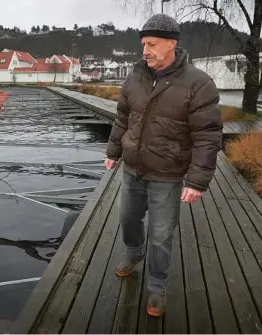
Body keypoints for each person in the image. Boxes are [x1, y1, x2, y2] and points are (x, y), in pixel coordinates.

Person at [105, 13, 223, 317]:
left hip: (167, 175)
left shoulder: (199, 84)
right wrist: (113, 150)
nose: (145, 50)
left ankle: (157, 287)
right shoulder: (135, 76)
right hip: (132, 169)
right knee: (128, 220)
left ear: (172, 43)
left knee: (161, 234)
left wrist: (197, 181)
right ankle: (133, 253)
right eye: (144, 44)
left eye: (152, 44)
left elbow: (208, 136)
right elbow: (122, 118)